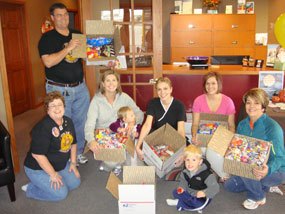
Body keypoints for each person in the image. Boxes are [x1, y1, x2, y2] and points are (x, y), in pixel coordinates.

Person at [38, 3, 90, 165]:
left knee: (81, 121)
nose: (63, 18)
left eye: (65, 14)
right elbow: (48, 62)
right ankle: (64, 157)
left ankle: (79, 151)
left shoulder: (77, 34)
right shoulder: (47, 38)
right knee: (62, 123)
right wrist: (68, 48)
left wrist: (104, 60)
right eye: (59, 15)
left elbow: (86, 57)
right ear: (53, 18)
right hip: (58, 89)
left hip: (80, 87)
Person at [224, 88, 285, 210]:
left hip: (275, 170)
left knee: (248, 169)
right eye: (248, 102)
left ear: (263, 106)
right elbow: (239, 151)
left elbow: (280, 158)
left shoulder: (272, 127)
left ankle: (258, 196)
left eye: (256, 103)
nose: (251, 106)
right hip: (252, 167)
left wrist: (268, 169)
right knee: (229, 186)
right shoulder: (242, 125)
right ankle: (265, 186)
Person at [22, 91, 80, 201]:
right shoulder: (42, 127)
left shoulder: (68, 121)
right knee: (60, 194)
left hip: (58, 164)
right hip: (37, 167)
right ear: (47, 109)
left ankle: (45, 182)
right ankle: (31, 188)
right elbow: (37, 155)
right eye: (52, 105)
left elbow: (73, 143)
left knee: (75, 183)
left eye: (59, 104)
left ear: (64, 106)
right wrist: (53, 174)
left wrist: (73, 162)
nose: (57, 108)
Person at [85, 70, 144, 172]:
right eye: (108, 81)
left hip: (122, 133)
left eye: (114, 80)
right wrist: (91, 141)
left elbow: (139, 114)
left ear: (118, 83)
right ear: (103, 84)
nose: (111, 84)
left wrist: (132, 123)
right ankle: (111, 162)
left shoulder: (124, 97)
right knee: (112, 162)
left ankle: (121, 157)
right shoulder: (96, 100)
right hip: (104, 134)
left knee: (137, 165)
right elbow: (90, 124)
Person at [135, 77, 186, 161]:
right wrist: (138, 146)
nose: (162, 93)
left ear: (171, 89)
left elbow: (180, 130)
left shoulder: (179, 105)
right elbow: (147, 125)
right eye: (159, 89)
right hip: (157, 134)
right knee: (144, 152)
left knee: (180, 156)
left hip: (172, 136)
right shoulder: (153, 103)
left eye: (165, 88)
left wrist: (181, 150)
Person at [166, 145, 220, 212]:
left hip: (201, 197)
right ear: (184, 161)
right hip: (189, 192)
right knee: (175, 192)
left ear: (200, 162)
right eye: (187, 160)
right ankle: (185, 203)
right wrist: (181, 188)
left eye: (194, 160)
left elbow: (215, 187)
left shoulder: (207, 174)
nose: (190, 163)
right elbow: (183, 182)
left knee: (199, 204)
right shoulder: (185, 172)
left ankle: (179, 203)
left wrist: (204, 193)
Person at [191, 71, 236, 143]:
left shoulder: (228, 102)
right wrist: (194, 136)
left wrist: (228, 140)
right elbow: (195, 124)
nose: (210, 86)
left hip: (221, 140)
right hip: (203, 139)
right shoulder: (198, 101)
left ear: (219, 84)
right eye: (207, 83)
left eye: (213, 83)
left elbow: (231, 126)